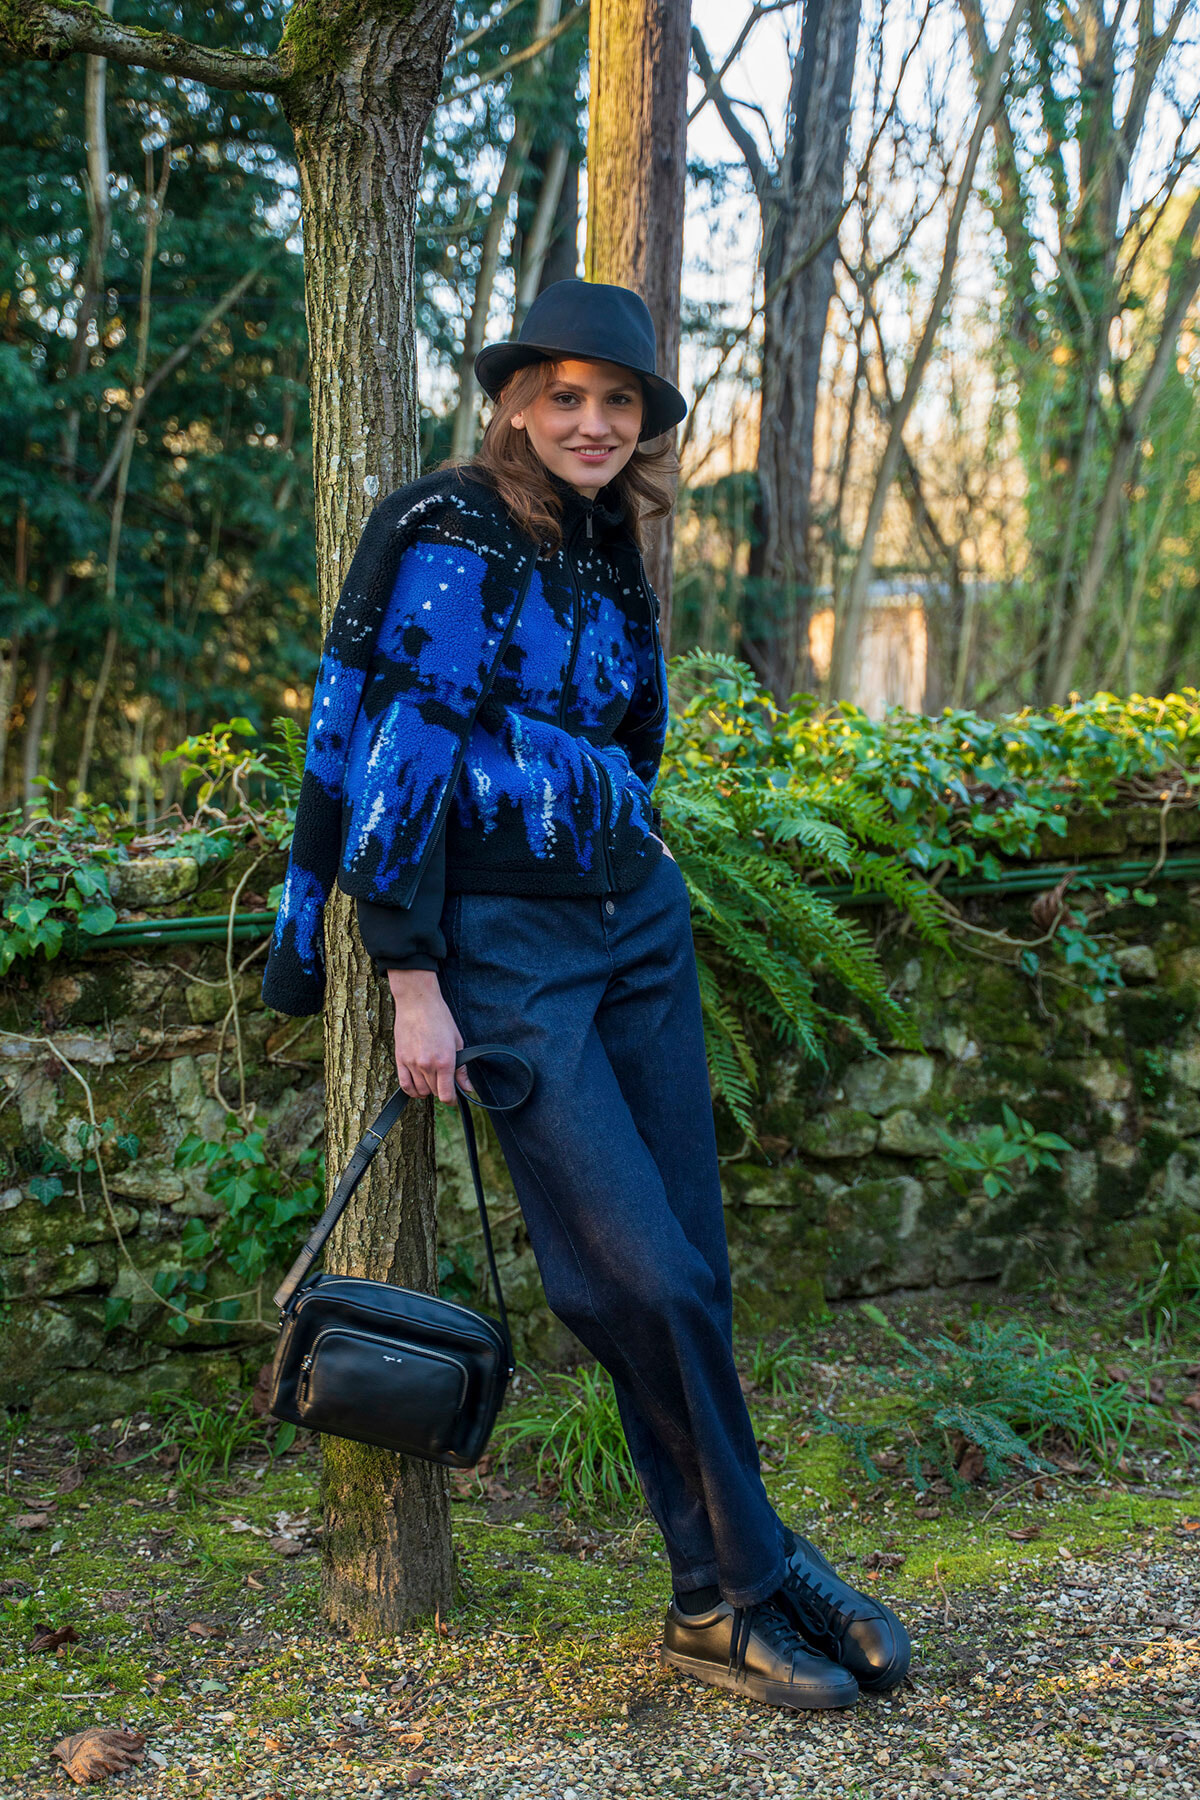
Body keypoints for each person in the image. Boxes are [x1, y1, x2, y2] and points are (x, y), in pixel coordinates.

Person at [262, 277, 911, 1712]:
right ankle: (753, 1575)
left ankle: (726, 1588)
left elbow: (628, 722)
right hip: (503, 949)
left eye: (619, 402)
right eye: (565, 395)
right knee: (641, 1272)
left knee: (690, 1267)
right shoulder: (446, 528)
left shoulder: (614, 539)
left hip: (637, 928)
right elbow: (396, 751)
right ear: (511, 402)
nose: (594, 422)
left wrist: (632, 827)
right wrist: (412, 975)